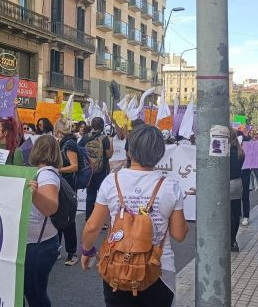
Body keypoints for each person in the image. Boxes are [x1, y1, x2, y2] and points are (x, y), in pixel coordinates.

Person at [80, 125, 188, 306]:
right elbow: (179, 234)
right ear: (160, 153)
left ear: (129, 151)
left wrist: (86, 251)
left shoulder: (111, 181)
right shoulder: (170, 186)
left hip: (118, 267)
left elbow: (92, 226)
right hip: (159, 269)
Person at [25, 135, 62, 307]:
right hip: (38, 242)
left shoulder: (47, 175)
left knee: (35, 294)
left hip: (40, 245)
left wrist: (34, 194)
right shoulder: (44, 172)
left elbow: (50, 207)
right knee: (32, 292)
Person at [54, 117, 85, 265]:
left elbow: (75, 166)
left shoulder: (69, 143)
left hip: (68, 185)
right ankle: (57, 248)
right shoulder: (63, 142)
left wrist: (57, 170)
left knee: (68, 219)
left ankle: (71, 253)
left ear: (58, 129)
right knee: (57, 216)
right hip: (61, 183)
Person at [79, 117, 112, 220]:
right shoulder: (104, 138)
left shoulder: (85, 137)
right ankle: (101, 220)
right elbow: (109, 154)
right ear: (102, 126)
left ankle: (88, 218)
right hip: (101, 172)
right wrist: (110, 142)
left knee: (90, 196)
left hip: (89, 171)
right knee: (103, 196)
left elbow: (79, 149)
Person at [229, 126, 245, 252]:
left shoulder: (224, 153)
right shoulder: (240, 152)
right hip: (237, 183)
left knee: (224, 213)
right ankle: (233, 240)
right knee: (235, 213)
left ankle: (226, 239)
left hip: (225, 184)